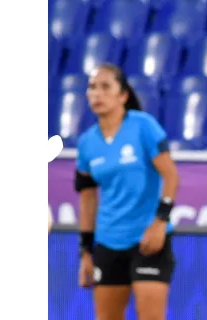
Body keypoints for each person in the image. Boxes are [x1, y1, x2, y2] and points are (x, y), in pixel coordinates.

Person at [75, 64, 180, 320]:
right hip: (109, 242)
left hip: (148, 240)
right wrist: (86, 252)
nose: (96, 94)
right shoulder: (87, 143)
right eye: (91, 87)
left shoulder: (143, 126)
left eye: (105, 87)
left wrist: (160, 222)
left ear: (123, 95)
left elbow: (171, 175)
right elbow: (88, 200)